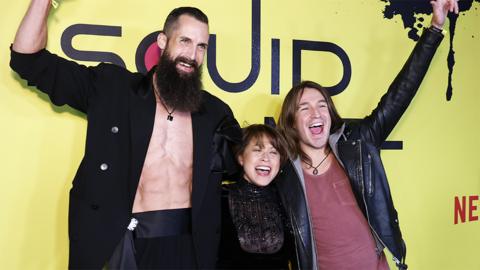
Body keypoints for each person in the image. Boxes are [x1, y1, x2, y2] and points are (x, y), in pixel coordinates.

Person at [10, 1, 240, 269]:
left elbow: (247, 162)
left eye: (202, 46)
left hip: (186, 248)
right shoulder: (114, 89)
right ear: (162, 41)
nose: (193, 55)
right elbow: (27, 59)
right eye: (185, 41)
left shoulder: (215, 113)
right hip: (122, 243)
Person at [275, 0, 459, 269]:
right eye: (304, 108)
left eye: (322, 105)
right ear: (291, 122)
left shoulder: (358, 142)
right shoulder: (283, 170)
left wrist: (434, 29)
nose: (316, 113)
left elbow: (401, 94)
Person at [217, 124, 294, 269]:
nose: (266, 158)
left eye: (274, 152)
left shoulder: (288, 199)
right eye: (258, 150)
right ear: (241, 157)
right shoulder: (219, 198)